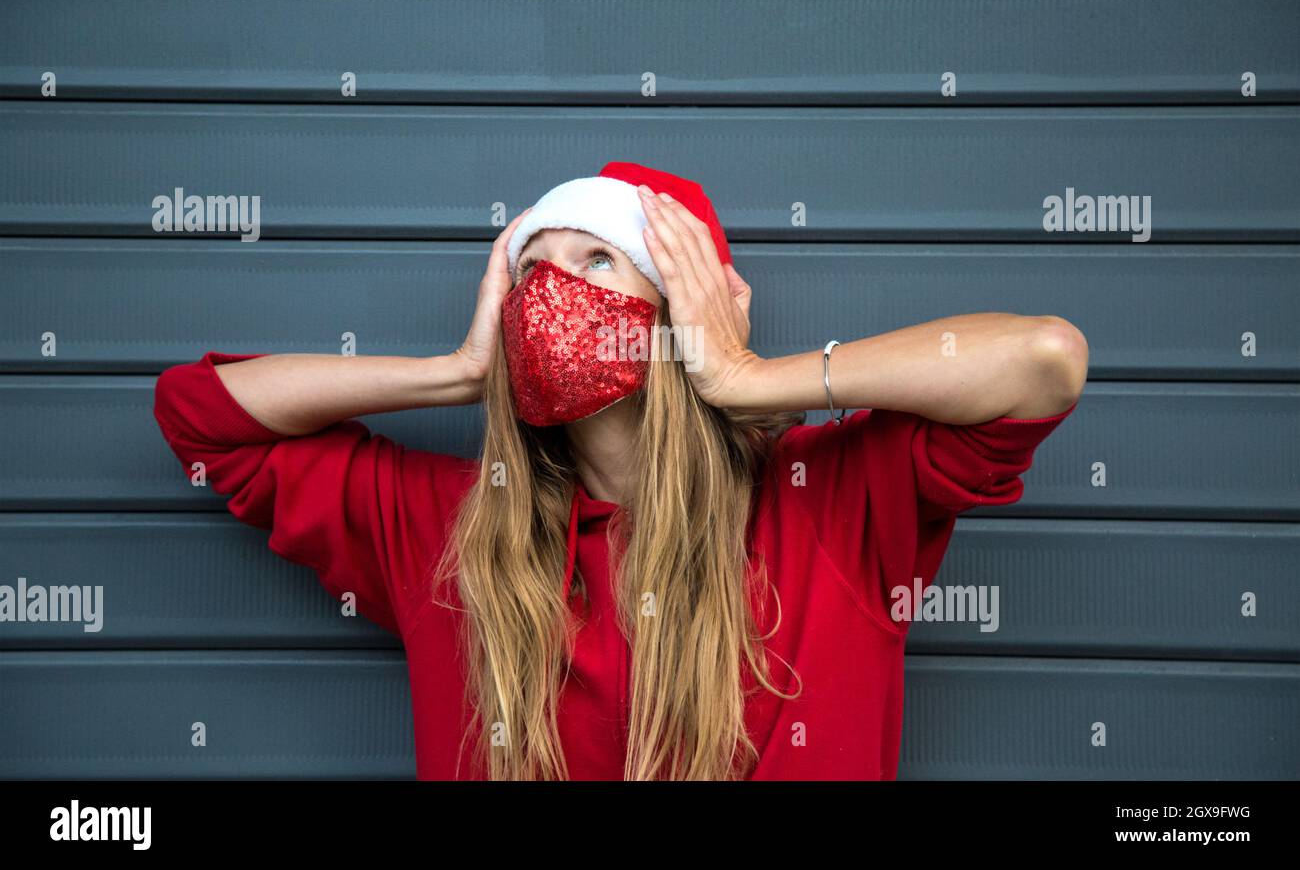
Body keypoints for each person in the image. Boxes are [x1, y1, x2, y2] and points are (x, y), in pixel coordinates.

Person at [153, 161, 1087, 781]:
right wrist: (460, 373)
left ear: (686, 307)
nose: (553, 293)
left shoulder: (833, 504)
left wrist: (746, 375)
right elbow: (200, 414)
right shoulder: (450, 531)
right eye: (532, 272)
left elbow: (1042, 361)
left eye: (598, 258)